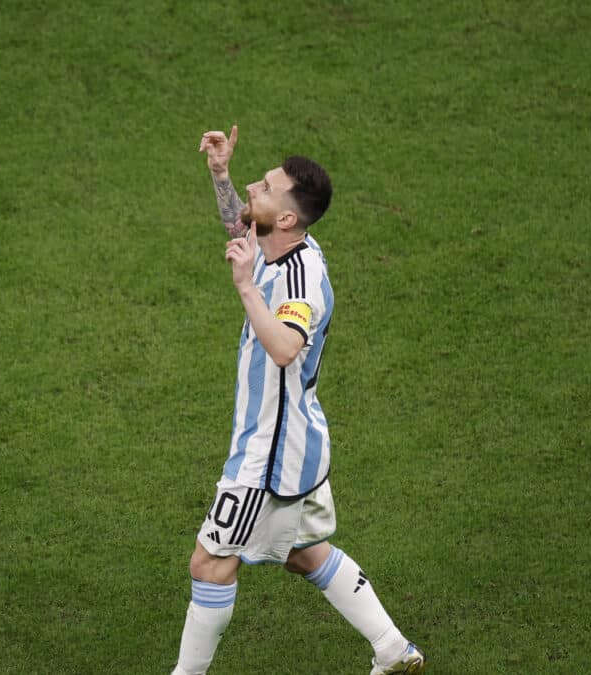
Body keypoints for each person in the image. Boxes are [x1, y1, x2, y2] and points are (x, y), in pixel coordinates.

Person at [171, 125, 426, 675]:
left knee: (210, 564)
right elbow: (241, 226)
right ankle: (393, 649)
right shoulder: (283, 241)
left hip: (269, 455)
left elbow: (286, 347)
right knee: (299, 551)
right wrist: (220, 175)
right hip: (298, 441)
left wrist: (243, 287)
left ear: (287, 218)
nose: (253, 191)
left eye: (263, 187)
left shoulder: (301, 280)